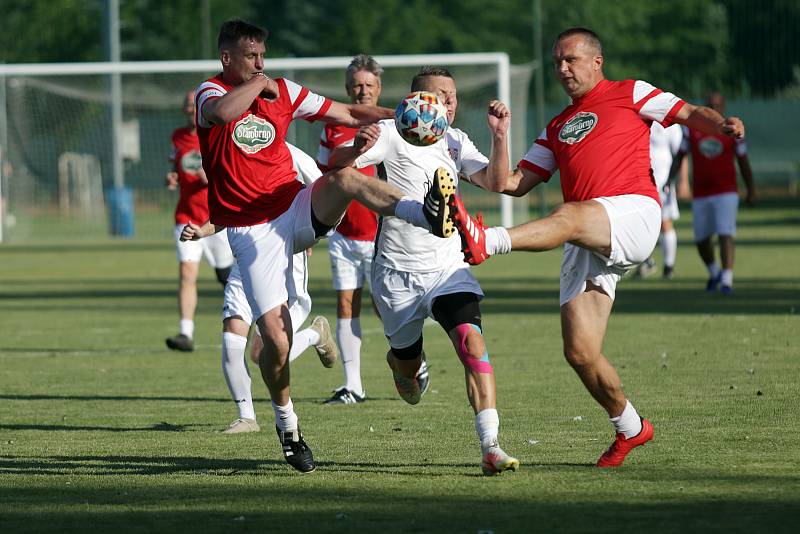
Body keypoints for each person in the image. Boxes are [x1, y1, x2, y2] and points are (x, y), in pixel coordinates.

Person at [445, 28, 747, 467]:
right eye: (556, 63)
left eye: (570, 59)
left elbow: (687, 112)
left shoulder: (631, 93)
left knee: (567, 216)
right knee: (580, 352)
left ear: (597, 61)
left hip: (634, 211)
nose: (562, 69)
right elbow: (511, 183)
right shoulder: (557, 126)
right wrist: (500, 133)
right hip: (588, 231)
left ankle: (487, 240)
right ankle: (630, 426)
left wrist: (721, 124)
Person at [194, 19, 447, 473]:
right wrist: (260, 85)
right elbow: (224, 115)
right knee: (273, 338)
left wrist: (402, 115)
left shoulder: (284, 91)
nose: (259, 63)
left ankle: (425, 211)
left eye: (262, 56)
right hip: (252, 232)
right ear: (226, 58)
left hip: (294, 207)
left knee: (346, 178)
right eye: (250, 56)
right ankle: (288, 427)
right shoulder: (209, 93)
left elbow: (347, 114)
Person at [329, 66, 519, 476]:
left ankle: (491, 446)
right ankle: (404, 365)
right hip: (396, 275)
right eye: (440, 94)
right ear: (416, 102)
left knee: (473, 345)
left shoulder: (455, 139)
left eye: (452, 95)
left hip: (447, 268)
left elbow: (496, 181)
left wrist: (500, 134)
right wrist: (355, 146)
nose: (449, 101)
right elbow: (340, 169)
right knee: (408, 381)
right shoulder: (391, 132)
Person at [183, 143, 338, 434]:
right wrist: (201, 231)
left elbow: (320, 186)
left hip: (283, 255)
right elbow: (228, 210)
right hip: (244, 258)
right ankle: (247, 418)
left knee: (261, 353)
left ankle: (316, 333)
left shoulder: (286, 150)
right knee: (231, 339)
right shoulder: (229, 155)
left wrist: (311, 230)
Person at [316, 54, 431, 405]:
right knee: (346, 304)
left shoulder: (399, 124)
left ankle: (415, 362)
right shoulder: (332, 127)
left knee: (388, 310)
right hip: (344, 234)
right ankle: (353, 386)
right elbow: (325, 172)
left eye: (368, 85)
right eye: (355, 85)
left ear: (379, 88)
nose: (362, 90)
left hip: (384, 235)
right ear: (347, 89)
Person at [165, 90, 234, 352]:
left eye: (195, 107)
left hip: (216, 220)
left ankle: (250, 320)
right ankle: (186, 333)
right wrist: (171, 179)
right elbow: (175, 170)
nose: (191, 111)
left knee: (227, 276)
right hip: (186, 217)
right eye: (187, 107)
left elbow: (232, 172)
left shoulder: (217, 134)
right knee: (187, 273)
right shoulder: (178, 137)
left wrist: (213, 178)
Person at [672, 91, 756, 295]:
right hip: (701, 193)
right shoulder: (692, 130)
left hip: (726, 191)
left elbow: (743, 160)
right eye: (711, 106)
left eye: (718, 106)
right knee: (701, 239)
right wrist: (668, 181)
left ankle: (727, 280)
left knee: (725, 232)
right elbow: (680, 156)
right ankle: (715, 272)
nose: (715, 109)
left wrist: (751, 188)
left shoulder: (733, 131)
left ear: (724, 108)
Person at [635, 122, 687, 279]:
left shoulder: (670, 124)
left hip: (663, 182)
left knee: (665, 222)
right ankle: (646, 262)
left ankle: (668, 267)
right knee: (639, 223)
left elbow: (681, 154)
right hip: (640, 182)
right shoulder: (638, 116)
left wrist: (683, 181)